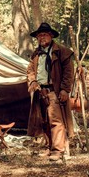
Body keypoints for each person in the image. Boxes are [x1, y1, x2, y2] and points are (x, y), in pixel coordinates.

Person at [27, 22, 74, 161]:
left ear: (51, 36)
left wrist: (65, 89)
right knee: (44, 121)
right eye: (39, 35)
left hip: (54, 91)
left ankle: (58, 150)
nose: (41, 37)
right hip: (40, 91)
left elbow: (68, 72)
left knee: (56, 121)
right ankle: (49, 147)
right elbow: (30, 71)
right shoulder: (36, 54)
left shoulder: (62, 52)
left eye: (44, 35)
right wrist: (33, 82)